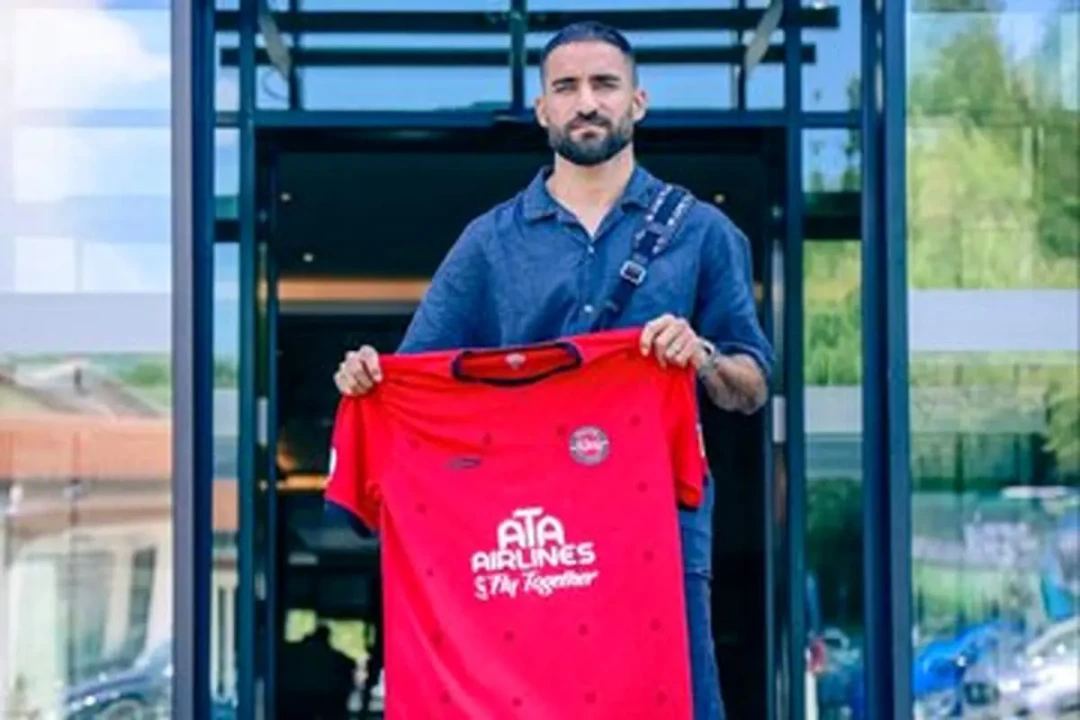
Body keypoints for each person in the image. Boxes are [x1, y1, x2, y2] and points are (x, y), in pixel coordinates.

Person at [333, 20, 774, 720]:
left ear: (638, 101)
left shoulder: (703, 233)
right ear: (542, 109)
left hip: (656, 520)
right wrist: (369, 378)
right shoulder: (489, 241)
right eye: (566, 87)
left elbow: (751, 386)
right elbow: (414, 377)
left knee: (671, 698)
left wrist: (703, 356)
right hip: (532, 533)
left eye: (605, 84)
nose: (586, 102)